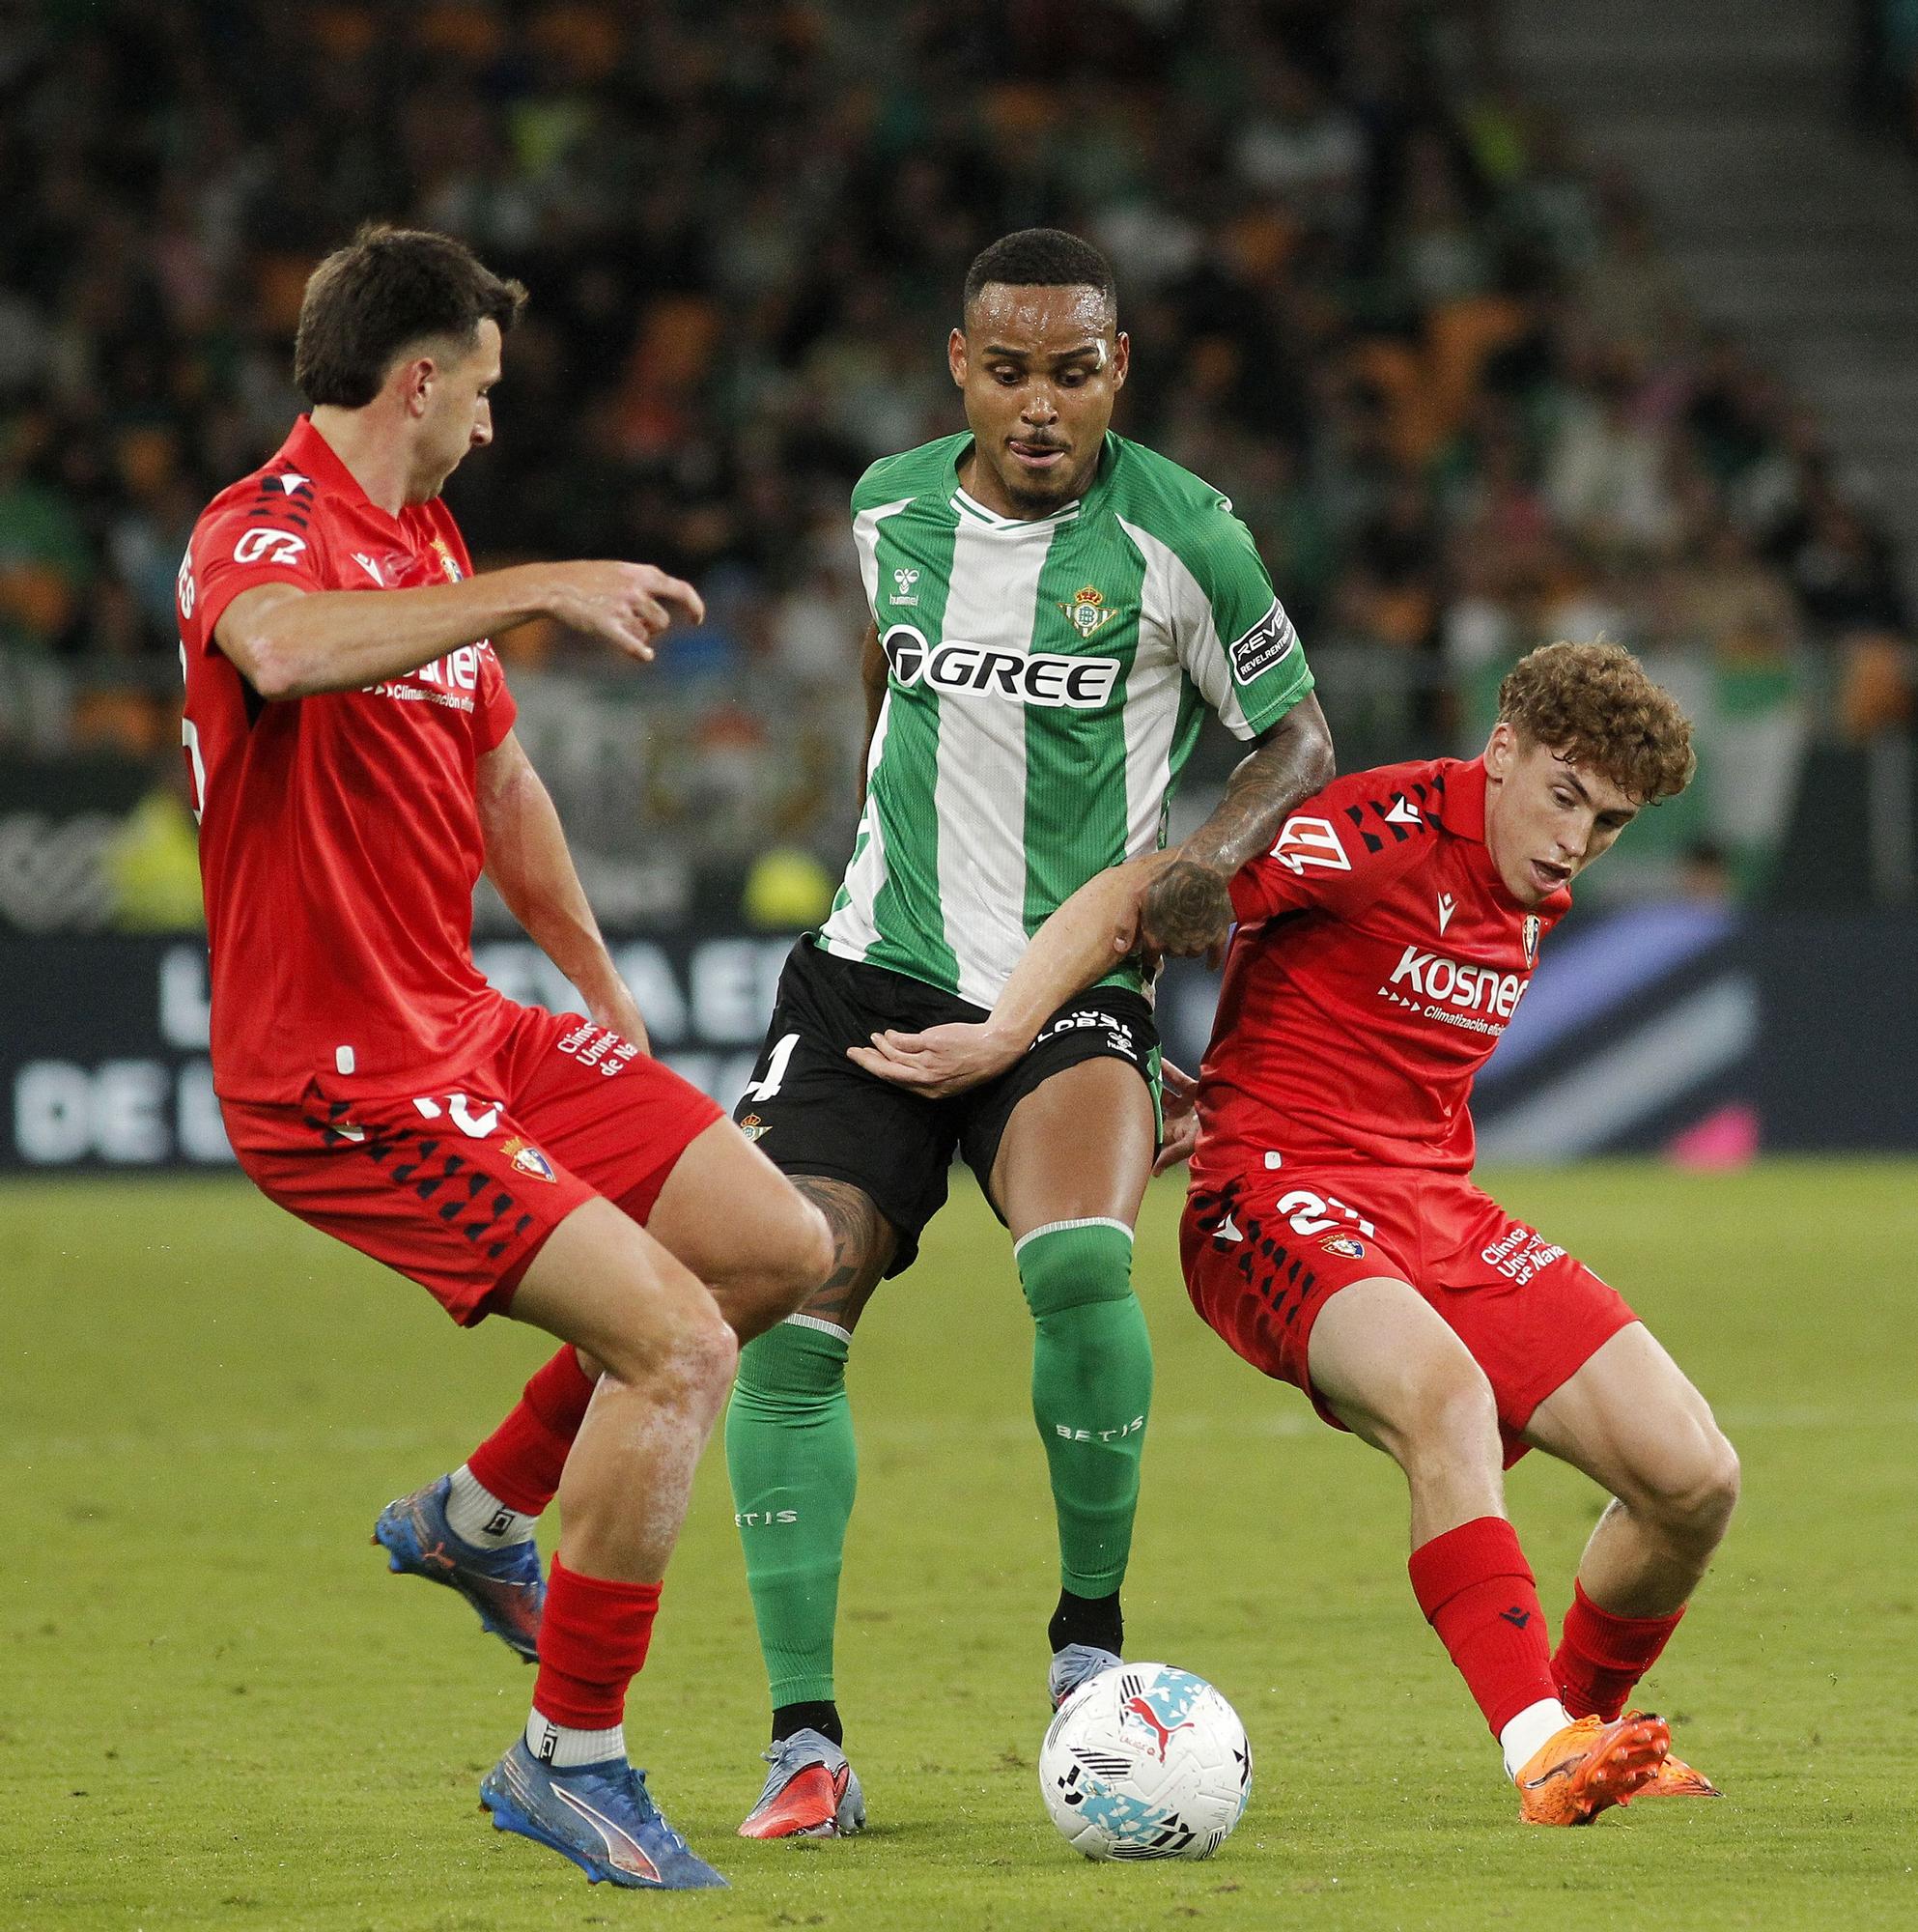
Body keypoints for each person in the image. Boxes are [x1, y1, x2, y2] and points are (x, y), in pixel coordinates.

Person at [178, 224, 831, 1891]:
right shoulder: (260, 534)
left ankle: (479, 1519)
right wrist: (539, 584)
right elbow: (284, 652)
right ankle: (571, 1756)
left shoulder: (428, 537)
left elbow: (503, 794)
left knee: (773, 1247)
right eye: (480, 388)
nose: (490, 420)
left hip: (465, 1024)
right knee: (675, 1347)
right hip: (335, 1073)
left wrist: (598, 990)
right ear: (417, 377)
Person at [855, 640, 1737, 1827]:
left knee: (1693, 1478)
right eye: (1564, 795)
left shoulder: (1532, 874)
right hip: (1268, 1196)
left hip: (1433, 1203)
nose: (1577, 838)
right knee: (1447, 1396)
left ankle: (1575, 1721)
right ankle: (1541, 1747)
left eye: (1611, 820)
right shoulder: (1379, 830)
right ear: (1504, 748)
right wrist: (1028, 1038)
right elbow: (1146, 896)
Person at [702, 226, 1336, 1839]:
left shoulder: (1188, 536)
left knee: (1076, 1265)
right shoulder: (887, 507)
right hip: (865, 984)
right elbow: (884, 676)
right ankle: (803, 1747)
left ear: (1117, 369)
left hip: (1069, 996)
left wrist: (1202, 866)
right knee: (789, 1294)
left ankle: (1086, 1652)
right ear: (958, 371)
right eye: (1007, 371)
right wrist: (877, 827)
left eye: (1072, 370)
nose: (1039, 404)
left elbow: (1297, 732)